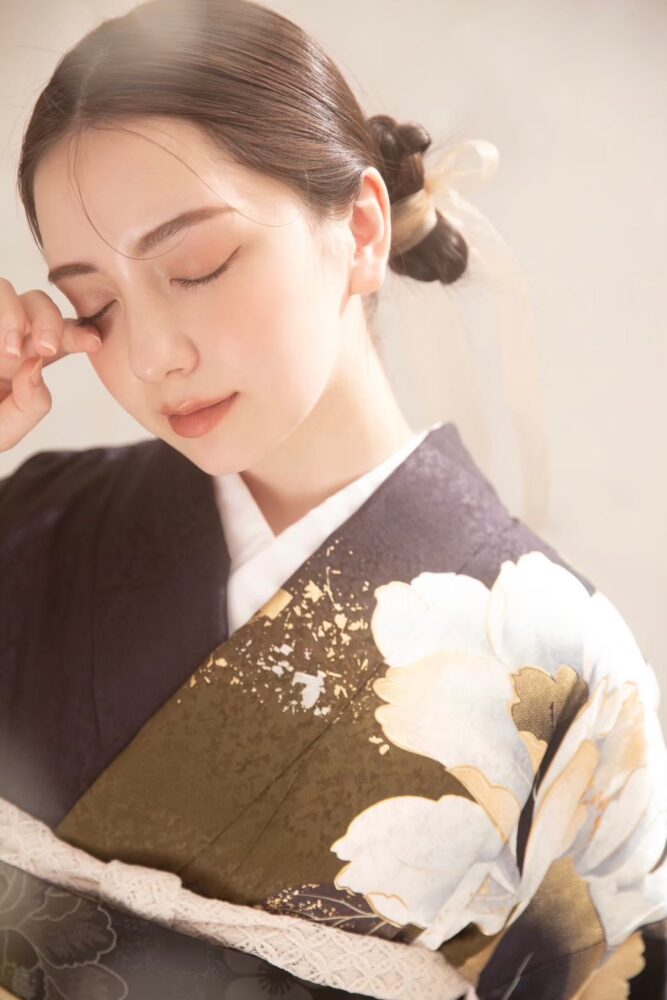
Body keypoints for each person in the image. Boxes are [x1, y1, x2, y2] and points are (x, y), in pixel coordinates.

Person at [0, 0, 665, 997]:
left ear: (358, 229)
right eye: (94, 304)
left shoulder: (563, 663)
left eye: (198, 267)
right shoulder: (34, 525)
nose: (151, 354)